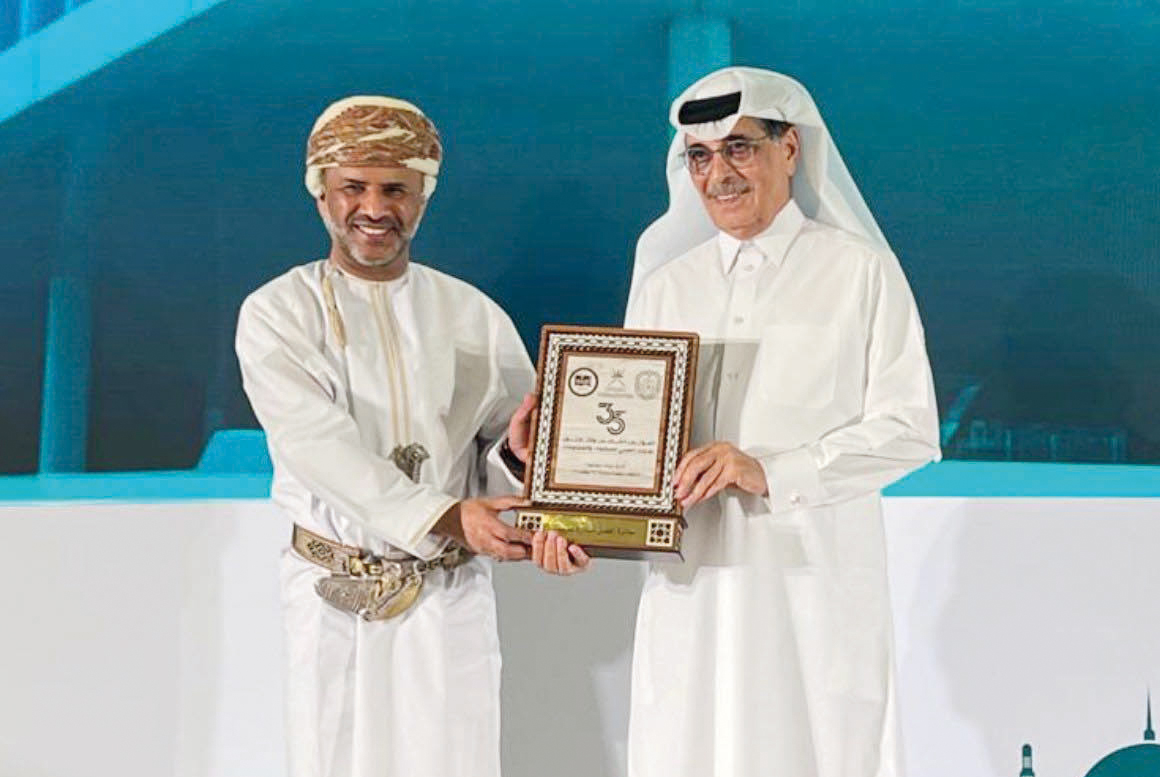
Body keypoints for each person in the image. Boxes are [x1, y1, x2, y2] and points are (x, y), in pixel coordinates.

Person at [621, 67, 941, 776]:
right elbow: (632, 449)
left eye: (739, 148)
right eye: (699, 156)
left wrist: (771, 470)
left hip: (811, 590)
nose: (718, 174)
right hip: (690, 593)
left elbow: (910, 426)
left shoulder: (860, 273)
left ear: (789, 149)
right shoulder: (665, 286)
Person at [235, 95, 538, 777]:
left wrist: (520, 455)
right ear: (321, 193)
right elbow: (314, 444)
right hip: (333, 592)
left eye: (395, 188)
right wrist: (443, 514)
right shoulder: (277, 313)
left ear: (423, 197)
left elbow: (507, 446)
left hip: (449, 592)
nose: (374, 207)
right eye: (354, 187)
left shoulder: (473, 315)